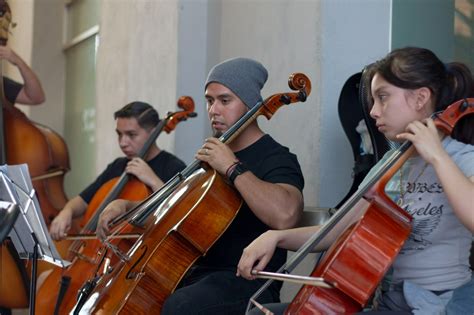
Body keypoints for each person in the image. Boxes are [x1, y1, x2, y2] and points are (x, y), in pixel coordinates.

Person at [237, 47, 474, 314]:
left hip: (442, 305)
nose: (373, 111)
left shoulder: (463, 158)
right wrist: (276, 237)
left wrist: (438, 158)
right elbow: (339, 229)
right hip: (392, 304)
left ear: (420, 98)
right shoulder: (390, 165)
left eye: (383, 98)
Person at [95, 57, 305, 314]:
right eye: (209, 100)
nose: (213, 110)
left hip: (247, 280)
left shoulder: (275, 157)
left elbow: (286, 215)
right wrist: (126, 206)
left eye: (224, 100)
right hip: (196, 272)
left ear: (251, 104)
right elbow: (177, 210)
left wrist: (232, 167)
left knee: (180, 306)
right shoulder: (211, 155)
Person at [49, 101, 186, 240]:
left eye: (131, 135)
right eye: (119, 134)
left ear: (153, 133)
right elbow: (84, 200)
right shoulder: (118, 165)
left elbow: (179, 211)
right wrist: (67, 211)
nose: (122, 142)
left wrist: (152, 179)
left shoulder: (173, 166)